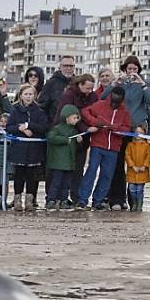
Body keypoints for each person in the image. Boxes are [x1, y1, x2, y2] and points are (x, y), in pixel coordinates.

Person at [107, 56, 150, 210]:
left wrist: (143, 85)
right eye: (129, 69)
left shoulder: (144, 84)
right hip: (120, 129)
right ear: (125, 69)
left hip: (137, 130)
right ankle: (117, 199)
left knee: (136, 164)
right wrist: (115, 84)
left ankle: (134, 200)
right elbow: (104, 98)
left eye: (135, 69)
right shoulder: (120, 84)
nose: (132, 71)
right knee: (117, 164)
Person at [78, 86, 131, 211]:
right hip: (98, 144)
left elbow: (127, 129)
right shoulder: (100, 105)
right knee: (91, 171)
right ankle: (83, 200)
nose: (115, 103)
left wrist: (115, 128)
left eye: (118, 100)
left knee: (107, 175)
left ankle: (98, 200)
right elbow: (85, 112)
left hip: (113, 148)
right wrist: (95, 122)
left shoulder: (124, 111)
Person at [54, 74, 98, 207]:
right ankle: (58, 197)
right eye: (87, 88)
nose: (89, 91)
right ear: (80, 85)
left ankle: (76, 196)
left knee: (78, 168)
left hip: (83, 138)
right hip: (68, 135)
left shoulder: (92, 96)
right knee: (63, 169)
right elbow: (67, 116)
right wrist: (85, 128)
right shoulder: (69, 95)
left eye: (91, 88)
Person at [6, 83, 48, 212]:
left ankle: (30, 200)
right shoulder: (15, 110)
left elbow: (43, 127)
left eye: (31, 94)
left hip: (34, 148)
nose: (28, 97)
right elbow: (9, 127)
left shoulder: (39, 111)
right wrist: (20, 128)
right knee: (18, 175)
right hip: (19, 148)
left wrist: (29, 126)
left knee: (31, 176)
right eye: (26, 94)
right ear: (21, 95)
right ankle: (17, 199)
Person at [45, 104, 81, 211]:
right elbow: (51, 138)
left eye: (77, 118)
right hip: (58, 163)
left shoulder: (74, 131)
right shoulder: (57, 129)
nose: (76, 120)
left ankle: (63, 200)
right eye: (74, 118)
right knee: (56, 182)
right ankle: (51, 200)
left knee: (66, 184)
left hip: (69, 163)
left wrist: (79, 142)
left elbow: (76, 148)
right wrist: (65, 140)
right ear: (67, 118)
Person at [37, 56, 75, 121]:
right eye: (65, 66)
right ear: (60, 67)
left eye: (71, 66)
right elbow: (42, 106)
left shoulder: (77, 83)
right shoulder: (51, 83)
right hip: (54, 123)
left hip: (73, 123)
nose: (68, 68)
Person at [124, 124, 150, 212]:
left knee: (140, 190)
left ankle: (139, 205)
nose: (138, 134)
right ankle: (134, 204)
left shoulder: (147, 146)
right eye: (136, 132)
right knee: (131, 189)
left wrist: (144, 166)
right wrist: (132, 166)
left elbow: (149, 156)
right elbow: (127, 156)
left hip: (142, 171)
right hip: (132, 171)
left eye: (140, 132)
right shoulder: (130, 145)